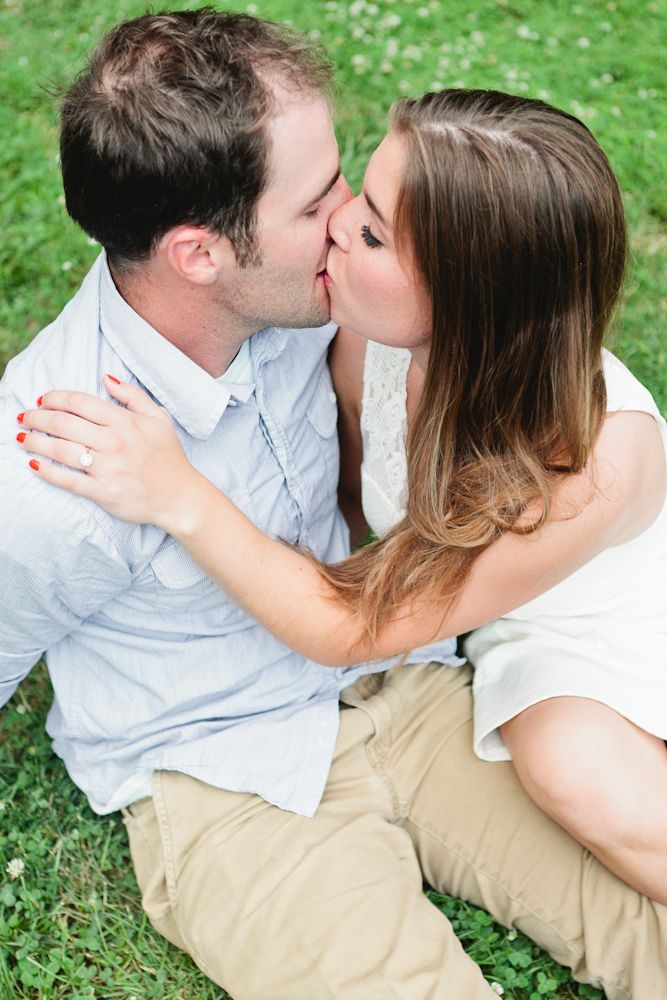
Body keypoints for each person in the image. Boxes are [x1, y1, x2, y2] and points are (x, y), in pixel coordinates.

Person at [3, 8, 665, 996]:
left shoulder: (335, 302)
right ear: (200, 254)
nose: (351, 215)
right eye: (320, 202)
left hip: (414, 682)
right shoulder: (55, 469)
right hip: (223, 772)